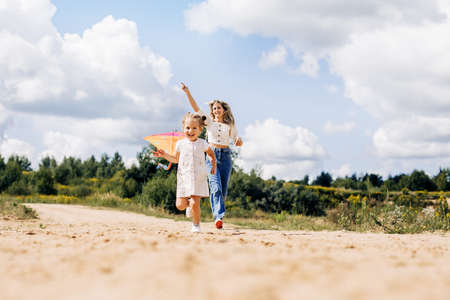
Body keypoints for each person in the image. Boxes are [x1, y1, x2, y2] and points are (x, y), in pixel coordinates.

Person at [181, 82, 243, 230]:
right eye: (214, 108)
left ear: (223, 110)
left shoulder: (230, 125)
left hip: (226, 156)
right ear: (212, 111)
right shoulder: (208, 122)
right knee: (215, 187)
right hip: (212, 156)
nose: (216, 110)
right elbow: (195, 108)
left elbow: (236, 140)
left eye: (218, 108)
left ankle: (217, 214)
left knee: (223, 189)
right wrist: (187, 92)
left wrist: (239, 141)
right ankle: (218, 217)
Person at [153, 112, 217, 233]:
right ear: (183, 128)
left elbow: (211, 155)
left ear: (200, 130)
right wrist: (164, 155)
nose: (190, 131)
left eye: (194, 128)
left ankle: (196, 225)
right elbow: (175, 159)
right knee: (180, 205)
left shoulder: (202, 143)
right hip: (183, 177)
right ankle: (189, 207)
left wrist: (214, 165)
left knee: (195, 203)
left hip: (198, 177)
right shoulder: (180, 144)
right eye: (187, 128)